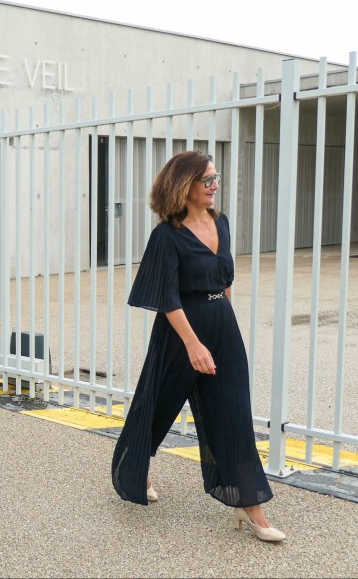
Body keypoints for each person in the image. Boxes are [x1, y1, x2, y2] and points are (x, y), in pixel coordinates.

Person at [111, 150, 286, 543]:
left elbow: (226, 280)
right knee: (158, 405)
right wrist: (193, 344)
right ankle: (135, 465)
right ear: (183, 185)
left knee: (233, 412)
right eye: (207, 180)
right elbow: (167, 296)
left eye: (216, 178)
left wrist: (227, 326)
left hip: (221, 325)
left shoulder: (220, 222)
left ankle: (249, 503)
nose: (214, 186)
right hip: (180, 332)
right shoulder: (167, 235)